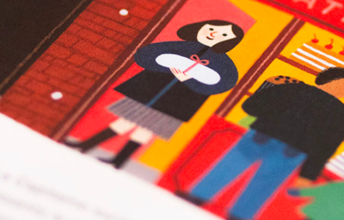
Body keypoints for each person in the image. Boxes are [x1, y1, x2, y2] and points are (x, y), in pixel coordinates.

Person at [185, 66, 344, 220]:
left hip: (281, 148)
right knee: (239, 171)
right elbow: (251, 106)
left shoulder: (299, 93)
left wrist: (307, 175)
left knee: (250, 176)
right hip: (271, 143)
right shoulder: (335, 111)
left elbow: (326, 147)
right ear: (334, 79)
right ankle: (224, 209)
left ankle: (226, 210)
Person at [66, 20, 244, 169]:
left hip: (177, 102)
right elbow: (145, 55)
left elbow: (224, 84)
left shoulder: (223, 62)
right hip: (150, 91)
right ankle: (94, 149)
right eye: (212, 28)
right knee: (126, 121)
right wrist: (167, 67)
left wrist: (189, 80)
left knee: (146, 129)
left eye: (224, 35)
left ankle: (110, 157)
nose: (214, 34)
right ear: (200, 27)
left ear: (229, 42)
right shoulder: (179, 46)